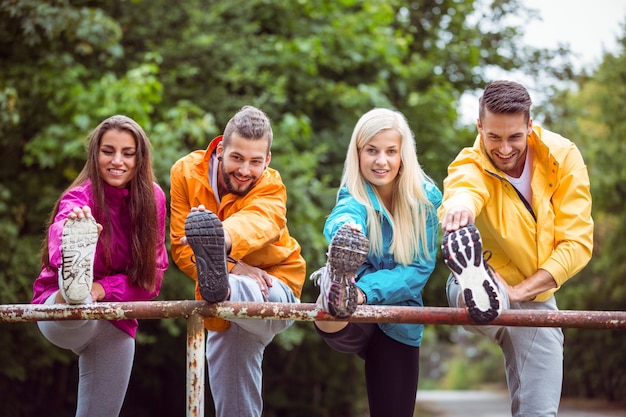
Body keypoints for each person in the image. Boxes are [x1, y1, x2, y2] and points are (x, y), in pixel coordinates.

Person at [439, 80, 593, 416]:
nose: (504, 148)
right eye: (493, 137)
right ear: (480, 127)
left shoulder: (563, 157)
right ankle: (478, 288)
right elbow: (464, 188)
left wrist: (519, 291)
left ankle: (496, 296)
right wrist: (460, 208)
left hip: (535, 297)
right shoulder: (471, 162)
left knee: (539, 412)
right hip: (483, 279)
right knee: (481, 297)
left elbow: (577, 243)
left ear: (530, 127)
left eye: (514, 137)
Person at [169, 105, 306, 417]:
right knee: (235, 406)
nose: (245, 169)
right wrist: (231, 265)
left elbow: (260, 221)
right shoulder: (185, 173)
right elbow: (180, 248)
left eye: (256, 161)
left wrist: (220, 240)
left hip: (275, 286)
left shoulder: (271, 185)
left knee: (246, 288)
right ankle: (224, 284)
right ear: (220, 149)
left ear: (267, 160)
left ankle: (225, 286)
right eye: (237, 158)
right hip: (222, 310)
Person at [31, 115, 168, 417]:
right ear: (95, 154)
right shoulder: (79, 197)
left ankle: (83, 291)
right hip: (61, 313)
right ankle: (72, 288)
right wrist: (70, 232)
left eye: (127, 153)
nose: (117, 161)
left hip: (114, 319)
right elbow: (58, 233)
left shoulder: (154, 200)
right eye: (108, 151)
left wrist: (102, 288)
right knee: (76, 294)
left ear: (139, 157)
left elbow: (151, 281)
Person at [310, 108, 442, 417]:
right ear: (358, 154)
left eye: (390, 151)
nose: (381, 160)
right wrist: (345, 231)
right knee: (328, 311)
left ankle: (342, 292)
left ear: (402, 155)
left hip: (398, 316)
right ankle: (334, 287)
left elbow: (420, 269)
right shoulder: (353, 195)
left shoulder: (426, 200)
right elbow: (342, 215)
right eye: (372, 150)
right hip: (353, 312)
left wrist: (364, 292)